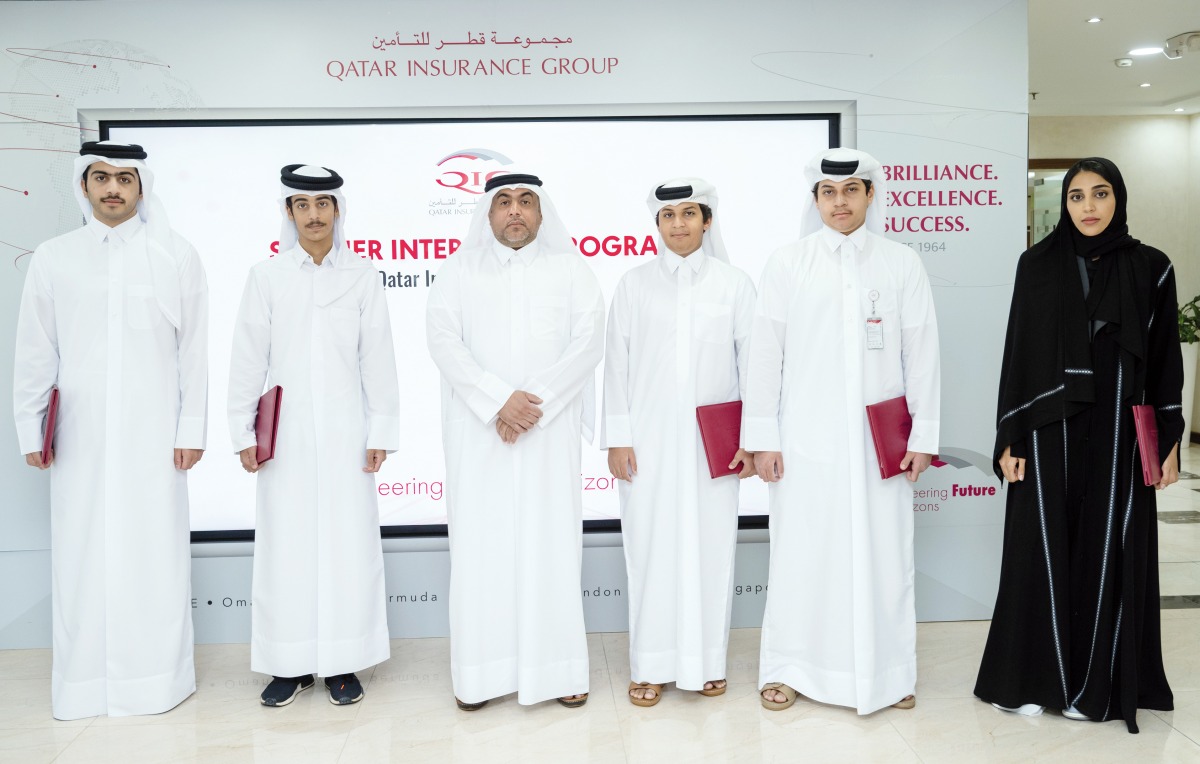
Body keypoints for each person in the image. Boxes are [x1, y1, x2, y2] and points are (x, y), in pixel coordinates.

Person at [974, 158, 1181, 733]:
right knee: (1042, 550)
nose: (1088, 207)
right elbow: (1017, 352)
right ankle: (1035, 679)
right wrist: (1008, 436)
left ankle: (1100, 682)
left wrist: (1166, 442)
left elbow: (1166, 361)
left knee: (1109, 547)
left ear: (1119, 199)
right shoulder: (1036, 265)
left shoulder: (1151, 267)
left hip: (1118, 432)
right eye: (1076, 197)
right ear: (1063, 204)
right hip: (1046, 433)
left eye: (1100, 194)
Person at [13, 141, 208, 720]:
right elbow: (34, 351)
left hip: (155, 437)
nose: (113, 188)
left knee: (155, 553)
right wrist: (31, 432)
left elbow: (193, 351)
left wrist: (190, 427)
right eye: (101, 177)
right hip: (80, 438)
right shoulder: (54, 257)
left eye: (124, 178)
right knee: (81, 554)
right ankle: (82, 685)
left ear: (142, 186)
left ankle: (157, 682)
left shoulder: (176, 255)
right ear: (83, 185)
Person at [742, 147, 940, 714]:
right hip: (805, 442)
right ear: (816, 199)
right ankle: (788, 669)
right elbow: (765, 357)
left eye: (851, 190)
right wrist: (763, 440)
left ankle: (889, 673)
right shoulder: (787, 262)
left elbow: (921, 352)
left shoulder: (900, 262)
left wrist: (923, 437)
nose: (840, 201)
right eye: (829, 192)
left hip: (883, 443)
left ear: (870, 195)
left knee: (884, 553)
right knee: (801, 555)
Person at [426, 173, 604, 710]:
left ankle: (559, 671)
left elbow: (589, 340)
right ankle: (480, 676)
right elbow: (442, 340)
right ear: (488, 213)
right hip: (480, 435)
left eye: (526, 201)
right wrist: (497, 401)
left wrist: (531, 404)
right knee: (483, 549)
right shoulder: (459, 270)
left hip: (547, 435)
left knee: (550, 546)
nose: (515, 211)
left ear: (542, 212)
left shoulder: (570, 268)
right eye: (503, 202)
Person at [227, 165, 400, 707]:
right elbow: (246, 359)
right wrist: (241, 432)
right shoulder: (267, 276)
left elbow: (378, 359)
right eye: (304, 206)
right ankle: (289, 663)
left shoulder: (363, 276)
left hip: (348, 433)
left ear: (337, 211)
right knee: (286, 548)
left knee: (348, 546)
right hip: (286, 436)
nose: (315, 215)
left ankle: (344, 662)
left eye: (324, 204)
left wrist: (383, 430)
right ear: (289, 213)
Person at [601, 178, 756, 706]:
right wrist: (617, 438)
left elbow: (753, 368)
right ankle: (648, 665)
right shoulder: (634, 284)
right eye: (669, 216)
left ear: (707, 221)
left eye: (689, 214)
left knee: (712, 549)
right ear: (658, 225)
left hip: (715, 447)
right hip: (645, 443)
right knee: (648, 549)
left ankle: (706, 663)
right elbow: (616, 368)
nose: (680, 224)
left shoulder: (734, 284)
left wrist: (753, 439)